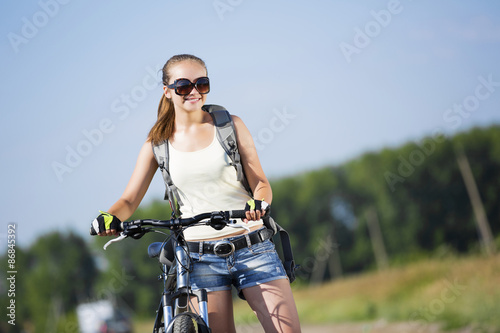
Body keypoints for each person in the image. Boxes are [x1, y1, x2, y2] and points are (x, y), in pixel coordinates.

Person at [94, 54, 301, 332]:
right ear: (167, 91)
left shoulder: (230, 126)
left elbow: (261, 182)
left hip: (253, 246)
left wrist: (259, 202)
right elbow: (129, 200)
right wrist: (109, 217)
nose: (193, 91)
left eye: (201, 83)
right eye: (183, 86)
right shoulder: (157, 144)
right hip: (198, 258)